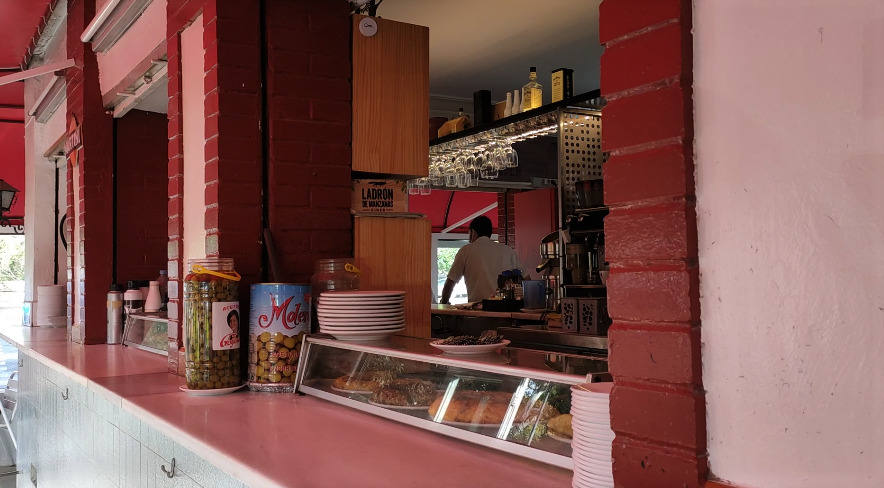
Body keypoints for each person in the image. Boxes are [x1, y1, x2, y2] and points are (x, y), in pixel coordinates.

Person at [440, 216, 521, 304]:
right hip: (505, 310)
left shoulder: (466, 250)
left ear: (473, 232)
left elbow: (450, 282)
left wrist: (444, 303)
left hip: (478, 311)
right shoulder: (508, 250)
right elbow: (526, 279)